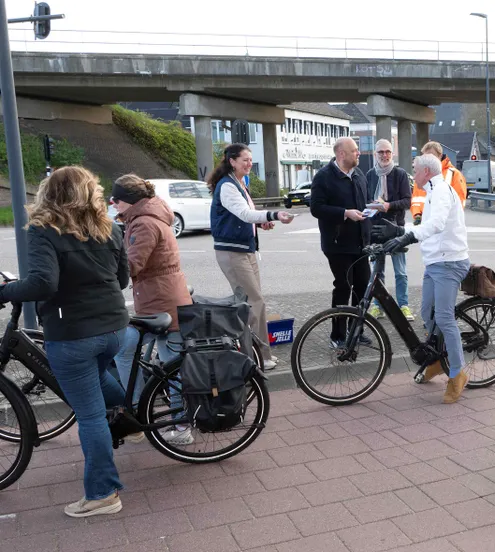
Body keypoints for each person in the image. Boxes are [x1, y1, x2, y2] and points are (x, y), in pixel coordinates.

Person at [0, 166, 130, 517]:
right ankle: (128, 416)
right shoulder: (111, 228)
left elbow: (43, 284)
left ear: (49, 194)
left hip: (74, 335)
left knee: (89, 418)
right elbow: (121, 280)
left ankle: (103, 494)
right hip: (115, 330)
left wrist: (5, 291)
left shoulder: (45, 231)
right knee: (98, 377)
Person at [372, 154, 470, 403]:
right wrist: (399, 231)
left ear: (426, 171)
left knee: (445, 317)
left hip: (449, 262)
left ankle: (458, 374)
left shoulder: (440, 191)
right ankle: (437, 360)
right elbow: (425, 226)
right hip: (435, 262)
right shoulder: (430, 190)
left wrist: (404, 237)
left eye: (414, 170)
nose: (411, 174)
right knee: (427, 314)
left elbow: (435, 225)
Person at [110, 173, 194, 444]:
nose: (113, 204)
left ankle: (179, 427)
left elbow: (133, 264)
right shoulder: (146, 216)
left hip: (162, 302)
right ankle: (139, 409)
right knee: (141, 354)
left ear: (129, 201)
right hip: (159, 299)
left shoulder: (144, 223)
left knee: (169, 366)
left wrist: (103, 272)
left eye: (116, 200)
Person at [208, 143, 294, 370]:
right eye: (244, 159)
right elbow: (244, 214)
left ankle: (255, 355)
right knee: (253, 304)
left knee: (251, 304)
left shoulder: (239, 184)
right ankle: (258, 358)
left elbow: (244, 217)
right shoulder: (227, 186)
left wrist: (261, 223)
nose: (249, 163)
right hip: (233, 252)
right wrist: (273, 214)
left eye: (250, 159)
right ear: (232, 161)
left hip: (245, 250)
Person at [310, 137, 372, 346]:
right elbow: (316, 208)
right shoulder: (323, 177)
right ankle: (338, 335)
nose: (359, 153)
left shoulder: (359, 175)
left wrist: (375, 207)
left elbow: (366, 200)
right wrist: (345, 213)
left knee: (363, 288)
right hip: (337, 244)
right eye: (355, 150)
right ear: (341, 154)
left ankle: (357, 330)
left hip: (361, 243)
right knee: (343, 287)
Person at [365, 139, 413, 321]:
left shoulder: (400, 174)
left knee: (400, 271)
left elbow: (407, 201)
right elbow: (365, 199)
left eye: (388, 152)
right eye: (381, 152)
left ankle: (404, 305)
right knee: (378, 271)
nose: (384, 155)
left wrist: (388, 205)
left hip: (395, 228)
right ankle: (378, 306)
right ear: (375, 154)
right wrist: (371, 206)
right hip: (376, 228)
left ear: (392, 154)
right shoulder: (370, 175)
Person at [411, 141, 466, 225]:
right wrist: (417, 215)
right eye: (425, 156)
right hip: (424, 221)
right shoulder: (421, 174)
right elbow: (416, 199)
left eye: (431, 156)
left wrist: (446, 219)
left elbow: (459, 201)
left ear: (440, 155)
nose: (428, 159)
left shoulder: (454, 174)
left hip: (445, 224)